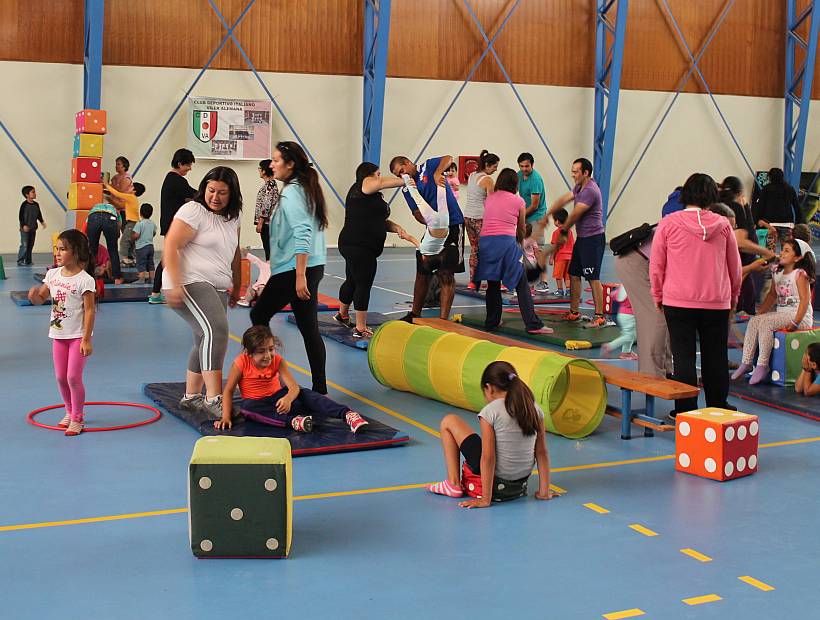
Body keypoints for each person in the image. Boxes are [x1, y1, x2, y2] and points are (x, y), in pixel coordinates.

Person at [650, 173, 742, 416]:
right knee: (716, 356)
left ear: (685, 195)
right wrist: (732, 298)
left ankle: (686, 411)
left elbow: (657, 265)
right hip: (716, 302)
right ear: (713, 196)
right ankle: (718, 406)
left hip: (678, 301)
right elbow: (735, 267)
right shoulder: (723, 226)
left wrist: (658, 295)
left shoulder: (668, 223)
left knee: (684, 358)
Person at [163, 166, 243, 419]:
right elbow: (171, 245)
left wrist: (237, 286)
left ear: (232, 194)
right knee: (216, 331)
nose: (215, 197)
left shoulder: (233, 217)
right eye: (211, 191)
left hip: (217, 284)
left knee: (203, 338)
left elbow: (235, 252)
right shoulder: (193, 211)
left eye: (222, 192)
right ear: (203, 189)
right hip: (189, 280)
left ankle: (191, 396)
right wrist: (175, 284)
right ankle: (213, 398)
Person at [250, 141, 329, 394]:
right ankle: (320, 389)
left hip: (294, 269)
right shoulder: (305, 188)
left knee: (258, 315)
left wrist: (299, 275)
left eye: (275, 160)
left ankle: (266, 377)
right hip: (311, 265)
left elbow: (303, 232)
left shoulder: (293, 192)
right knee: (308, 328)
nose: (271, 165)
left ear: (290, 164)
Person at [427, 361, 557, 507]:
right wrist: (544, 491)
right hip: (518, 484)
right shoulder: (534, 408)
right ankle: (542, 490)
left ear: (489, 388)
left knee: (449, 421)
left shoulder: (491, 411)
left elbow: (488, 457)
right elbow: (542, 452)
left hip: (496, 483)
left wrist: (485, 500)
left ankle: (453, 483)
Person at [214, 326, 369, 433]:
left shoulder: (278, 361)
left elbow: (293, 387)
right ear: (249, 353)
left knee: (306, 394)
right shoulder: (241, 363)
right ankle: (295, 422)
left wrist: (288, 398)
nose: (268, 355)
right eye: (261, 352)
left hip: (281, 402)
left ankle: (348, 415)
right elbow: (228, 391)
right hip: (259, 404)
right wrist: (226, 417)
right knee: (246, 408)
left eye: (271, 349)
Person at [27, 230, 96, 436]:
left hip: (77, 336)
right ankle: (68, 411)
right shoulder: (53, 274)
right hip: (58, 335)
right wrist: (34, 297)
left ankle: (78, 417)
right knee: (60, 377)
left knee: (73, 377)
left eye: (63, 249)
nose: (57, 253)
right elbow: (41, 298)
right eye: (57, 249)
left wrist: (86, 339)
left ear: (75, 252)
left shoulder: (85, 280)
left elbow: (90, 310)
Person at [335, 162, 411, 338]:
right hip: (359, 245)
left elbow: (378, 221)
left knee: (352, 280)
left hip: (354, 244)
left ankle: (343, 314)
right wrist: (406, 179)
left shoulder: (371, 197)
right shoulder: (364, 185)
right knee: (363, 283)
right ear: (368, 175)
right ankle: (360, 328)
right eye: (377, 173)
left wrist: (396, 227)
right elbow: (380, 182)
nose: (379, 176)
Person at [475, 168, 552, 335]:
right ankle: (533, 324)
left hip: (486, 243)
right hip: (505, 242)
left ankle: (492, 322)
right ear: (515, 184)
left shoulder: (490, 198)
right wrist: (520, 244)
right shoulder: (519, 202)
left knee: (493, 283)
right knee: (521, 282)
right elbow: (522, 228)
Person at [389, 154, 465, 322]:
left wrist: (438, 173)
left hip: (453, 224)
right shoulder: (406, 188)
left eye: (402, 171)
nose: (402, 176)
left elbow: (448, 158)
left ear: (408, 163)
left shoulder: (428, 167)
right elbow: (416, 212)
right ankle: (415, 314)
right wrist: (431, 219)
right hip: (434, 228)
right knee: (422, 271)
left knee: (446, 273)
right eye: (398, 175)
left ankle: (443, 321)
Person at [731, 239, 815, 385]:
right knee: (755, 321)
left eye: (787, 250)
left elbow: (804, 301)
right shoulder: (777, 272)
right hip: (783, 314)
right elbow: (772, 295)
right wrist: (760, 313)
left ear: (798, 257)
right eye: (782, 249)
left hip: (799, 316)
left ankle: (763, 364)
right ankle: (747, 362)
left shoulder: (800, 274)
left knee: (766, 323)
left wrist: (796, 322)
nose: (782, 252)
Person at [544, 158, 607, 328]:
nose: (572, 174)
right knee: (573, 274)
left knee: (593, 278)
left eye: (576, 171)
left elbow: (574, 215)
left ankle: (599, 316)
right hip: (583, 239)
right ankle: (574, 312)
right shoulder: (580, 187)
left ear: (585, 173)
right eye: (572, 171)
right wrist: (546, 216)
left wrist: (564, 231)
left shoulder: (590, 191)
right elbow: (563, 200)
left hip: (593, 240)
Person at [614, 227, 673, 379]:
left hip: (640, 257)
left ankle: (666, 368)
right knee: (655, 317)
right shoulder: (689, 229)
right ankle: (652, 374)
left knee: (665, 316)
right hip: (635, 260)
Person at [719, 176, 775, 315]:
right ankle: (741, 309)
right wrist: (765, 252)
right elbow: (740, 241)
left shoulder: (719, 206)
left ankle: (742, 308)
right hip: (736, 259)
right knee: (741, 274)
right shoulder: (734, 207)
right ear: (739, 193)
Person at [150, 148, 196, 303]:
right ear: (179, 163)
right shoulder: (176, 180)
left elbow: (185, 197)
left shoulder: (171, 179)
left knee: (170, 257)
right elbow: (194, 194)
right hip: (173, 225)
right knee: (168, 258)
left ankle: (157, 292)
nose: (190, 168)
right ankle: (157, 293)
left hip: (170, 223)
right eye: (188, 165)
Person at [463, 150, 499, 289]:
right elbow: (492, 202)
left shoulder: (472, 175)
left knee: (474, 249)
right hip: (480, 218)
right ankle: (492, 280)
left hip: (468, 216)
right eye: (495, 166)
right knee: (488, 250)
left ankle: (473, 281)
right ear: (488, 165)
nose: (496, 169)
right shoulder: (488, 180)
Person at [517, 152, 550, 293]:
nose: (524, 169)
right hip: (526, 214)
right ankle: (526, 280)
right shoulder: (519, 175)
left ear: (532, 165)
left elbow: (534, 204)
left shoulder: (535, 179)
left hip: (536, 216)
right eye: (521, 166)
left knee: (538, 249)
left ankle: (544, 282)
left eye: (527, 166)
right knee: (524, 248)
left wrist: (521, 217)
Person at [754, 167, 802, 252]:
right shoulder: (789, 189)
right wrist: (799, 223)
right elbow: (797, 207)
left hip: (770, 226)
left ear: (770, 177)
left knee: (770, 252)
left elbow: (760, 207)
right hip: (787, 225)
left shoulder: (766, 189)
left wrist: (757, 220)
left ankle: (770, 264)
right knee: (787, 252)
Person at [86, 191, 125, 285]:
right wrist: (116, 234)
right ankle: (117, 278)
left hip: (93, 217)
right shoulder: (115, 210)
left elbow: (86, 225)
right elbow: (119, 225)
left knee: (92, 250)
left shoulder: (94, 209)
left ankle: (88, 276)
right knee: (113, 250)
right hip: (110, 218)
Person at [106, 181, 145, 267]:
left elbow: (117, 194)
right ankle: (131, 258)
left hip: (132, 223)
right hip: (133, 223)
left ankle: (125, 259)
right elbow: (120, 205)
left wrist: (106, 185)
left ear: (134, 191)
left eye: (130, 187)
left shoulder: (130, 197)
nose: (128, 188)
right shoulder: (132, 199)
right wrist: (109, 198)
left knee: (124, 241)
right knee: (131, 242)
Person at [600, 285, 637, 360]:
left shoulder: (623, 287)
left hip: (621, 314)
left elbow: (613, 295)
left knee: (629, 334)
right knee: (630, 336)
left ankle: (626, 352)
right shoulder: (633, 288)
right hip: (630, 315)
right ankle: (610, 346)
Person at [255, 159, 280, 261]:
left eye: (260, 168)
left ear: (264, 171)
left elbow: (266, 205)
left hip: (267, 224)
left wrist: (260, 222)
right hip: (269, 223)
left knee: (269, 250)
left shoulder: (269, 185)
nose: (259, 171)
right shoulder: (270, 185)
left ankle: (270, 273)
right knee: (269, 249)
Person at [548, 208, 574, 298]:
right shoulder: (569, 231)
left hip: (560, 257)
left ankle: (560, 290)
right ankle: (568, 290)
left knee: (558, 275)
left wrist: (551, 257)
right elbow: (572, 244)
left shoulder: (556, 232)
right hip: (570, 257)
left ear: (557, 221)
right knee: (567, 275)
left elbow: (555, 246)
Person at [17, 185, 46, 266]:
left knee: (30, 245)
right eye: (33, 192)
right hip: (25, 229)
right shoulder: (24, 205)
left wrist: (42, 222)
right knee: (25, 245)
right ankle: (20, 260)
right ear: (27, 194)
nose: (35, 193)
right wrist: (23, 225)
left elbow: (39, 215)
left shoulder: (36, 204)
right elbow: (21, 216)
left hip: (33, 228)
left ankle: (28, 260)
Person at [131, 203, 157, 283]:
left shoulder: (139, 224)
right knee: (150, 264)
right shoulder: (152, 223)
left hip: (141, 247)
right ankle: (152, 279)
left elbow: (136, 235)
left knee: (141, 263)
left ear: (140, 213)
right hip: (150, 246)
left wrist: (132, 237)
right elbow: (154, 233)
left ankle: (141, 279)